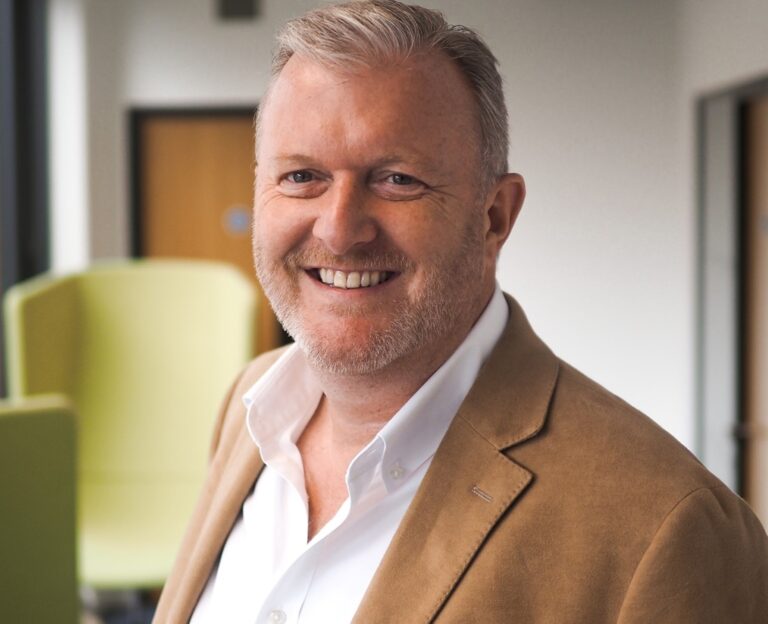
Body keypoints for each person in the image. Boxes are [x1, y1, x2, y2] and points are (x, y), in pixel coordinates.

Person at [154, 1, 768, 622]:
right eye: (301, 176)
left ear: (494, 216)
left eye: (397, 180)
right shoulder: (251, 407)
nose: (338, 231)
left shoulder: (668, 529)